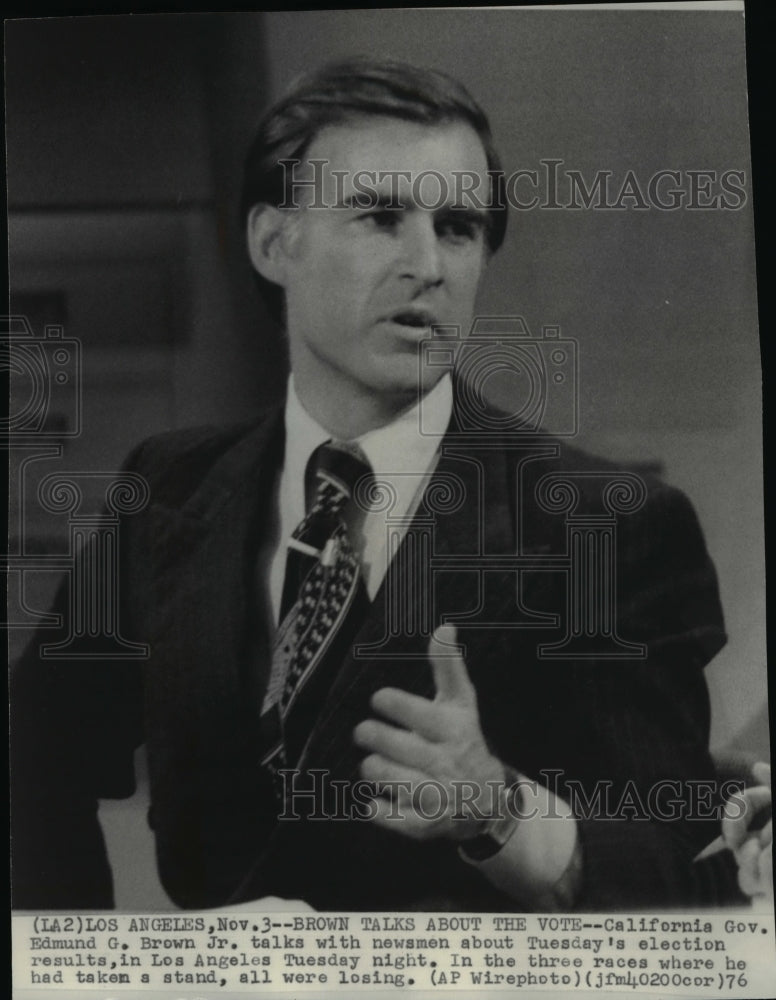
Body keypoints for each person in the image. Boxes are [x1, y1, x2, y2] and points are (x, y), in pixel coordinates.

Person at [11, 58, 741, 912]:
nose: (428, 263)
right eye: (381, 215)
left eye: (459, 226)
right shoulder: (170, 484)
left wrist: (500, 811)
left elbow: (692, 866)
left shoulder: (604, 525)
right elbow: (31, 760)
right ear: (274, 242)